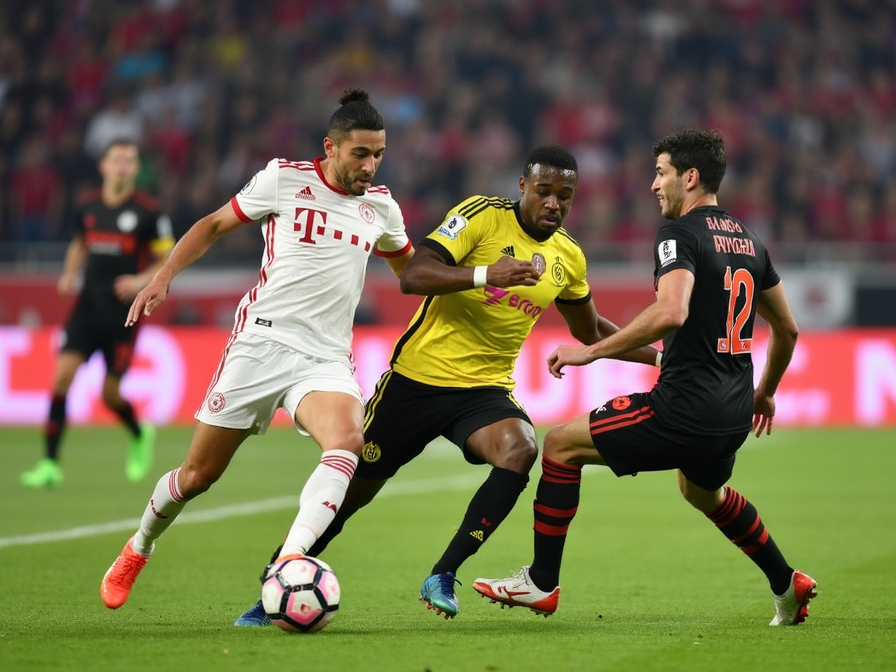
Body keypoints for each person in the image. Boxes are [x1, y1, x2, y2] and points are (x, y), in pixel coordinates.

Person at [235, 145, 662, 626]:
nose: (553, 204)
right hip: (415, 382)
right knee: (350, 496)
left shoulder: (568, 257)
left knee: (520, 449)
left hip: (483, 392)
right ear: (522, 187)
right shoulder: (480, 216)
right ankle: (275, 586)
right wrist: (486, 274)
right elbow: (413, 276)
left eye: (565, 195)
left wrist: (662, 357)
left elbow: (590, 332)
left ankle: (443, 574)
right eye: (544, 191)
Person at [472, 129, 817, 627]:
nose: (654, 186)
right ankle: (787, 583)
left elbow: (671, 311)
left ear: (690, 177)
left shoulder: (679, 235)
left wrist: (591, 351)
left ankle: (541, 583)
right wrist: (765, 393)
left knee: (560, 446)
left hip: (684, 408)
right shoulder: (749, 239)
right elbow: (787, 328)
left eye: (661, 173)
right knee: (702, 493)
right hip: (734, 411)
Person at [99, 87, 414, 610]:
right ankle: (139, 546)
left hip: (326, 357)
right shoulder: (284, 179)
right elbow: (214, 224)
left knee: (347, 443)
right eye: (361, 153)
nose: (371, 165)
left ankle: (289, 562)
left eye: (379, 154)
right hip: (262, 342)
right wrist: (164, 276)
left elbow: (412, 274)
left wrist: (473, 285)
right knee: (198, 476)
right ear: (330, 147)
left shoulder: (382, 208)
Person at [20, 139, 174, 489]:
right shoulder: (86, 205)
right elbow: (79, 243)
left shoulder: (150, 212)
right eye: (117, 159)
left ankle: (139, 433)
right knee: (61, 379)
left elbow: (166, 257)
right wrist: (69, 272)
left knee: (110, 395)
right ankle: (49, 464)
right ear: (103, 166)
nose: (123, 165)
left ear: (135, 169)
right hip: (86, 309)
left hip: (124, 316)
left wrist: (138, 280)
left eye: (130, 160)